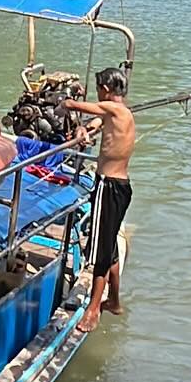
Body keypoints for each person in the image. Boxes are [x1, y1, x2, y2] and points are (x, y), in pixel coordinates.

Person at [71, 65, 135, 332]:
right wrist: (84, 130)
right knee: (110, 249)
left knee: (99, 251)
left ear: (106, 90)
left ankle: (93, 310)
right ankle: (114, 301)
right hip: (120, 187)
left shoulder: (116, 109)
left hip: (108, 187)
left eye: (99, 90)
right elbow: (97, 121)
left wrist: (69, 101)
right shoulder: (119, 113)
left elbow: (88, 109)